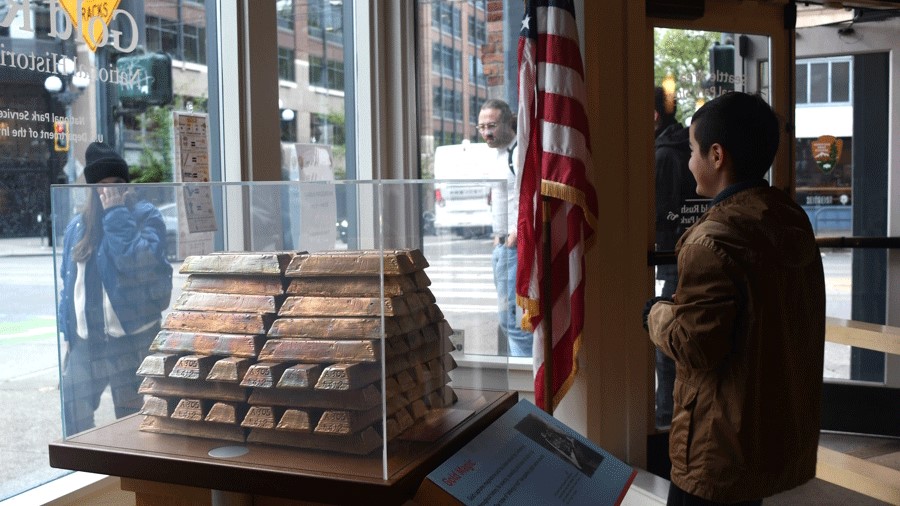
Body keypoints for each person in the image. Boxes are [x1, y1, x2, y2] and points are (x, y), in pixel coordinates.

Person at [643, 92, 825, 505]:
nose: (689, 161)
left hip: (715, 450)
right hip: (760, 437)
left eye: (692, 150)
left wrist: (655, 314)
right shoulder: (788, 218)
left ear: (717, 155)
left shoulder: (713, 239)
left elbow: (696, 344)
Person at [58, 142, 173, 436]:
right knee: (74, 416)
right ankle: (88, 469)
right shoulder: (77, 227)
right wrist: (68, 335)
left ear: (126, 186)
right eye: (102, 185)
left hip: (131, 340)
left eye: (117, 184)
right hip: (86, 342)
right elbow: (68, 285)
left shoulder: (145, 216)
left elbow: (139, 264)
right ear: (92, 189)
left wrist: (115, 214)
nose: (109, 191)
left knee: (133, 420)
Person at [653, 86, 700, 429]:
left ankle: (667, 418)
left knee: (668, 340)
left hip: (672, 257)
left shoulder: (664, 155)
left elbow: (665, 213)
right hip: (680, 253)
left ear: (654, 116)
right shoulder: (678, 148)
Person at [478, 98, 532, 356]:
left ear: (509, 122)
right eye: (481, 127)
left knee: (515, 324)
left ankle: (529, 388)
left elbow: (531, 195)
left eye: (492, 125)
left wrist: (514, 235)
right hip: (503, 248)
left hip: (514, 249)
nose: (486, 132)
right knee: (508, 321)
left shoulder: (518, 152)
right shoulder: (496, 155)